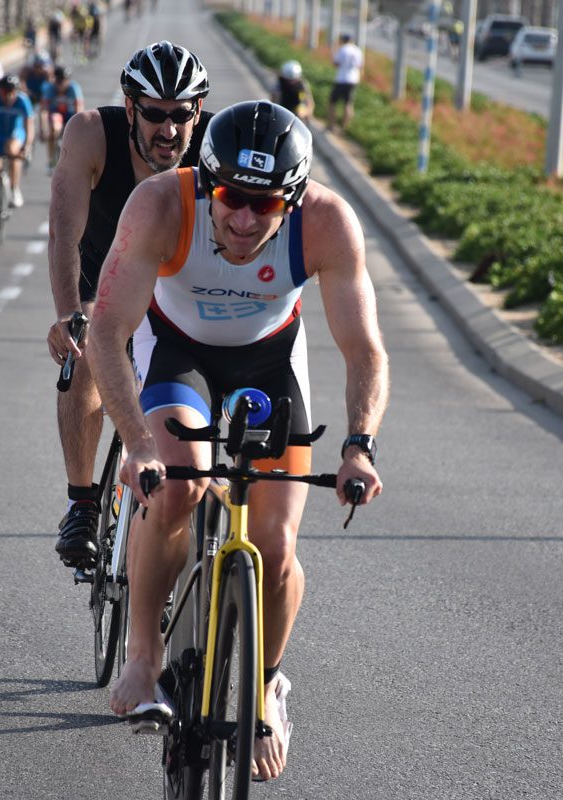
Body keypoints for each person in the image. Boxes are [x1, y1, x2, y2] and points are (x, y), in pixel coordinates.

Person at [87, 99, 388, 781]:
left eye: (266, 204)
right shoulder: (161, 205)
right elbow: (107, 333)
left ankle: (266, 685)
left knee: (278, 547)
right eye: (230, 198)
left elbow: (365, 349)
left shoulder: (327, 222)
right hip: (176, 350)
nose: (246, 219)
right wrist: (136, 442)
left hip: (269, 360)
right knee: (178, 487)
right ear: (206, 181)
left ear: (295, 198)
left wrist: (359, 445)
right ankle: (143, 656)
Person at [46, 41, 213, 569]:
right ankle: (81, 502)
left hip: (180, 280)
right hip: (105, 274)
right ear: (130, 106)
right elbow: (64, 233)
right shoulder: (91, 133)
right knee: (89, 349)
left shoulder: (215, 147)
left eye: (182, 116)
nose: (169, 131)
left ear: (198, 113)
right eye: (156, 115)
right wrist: (70, 312)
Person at [0, 73, 34, 225]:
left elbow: (29, 127)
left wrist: (26, 147)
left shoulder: (22, 101)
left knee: (12, 150)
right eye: (4, 92)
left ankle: (15, 189)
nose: (8, 96)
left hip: (15, 134)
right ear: (0, 91)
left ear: (16, 91)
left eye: (11, 92)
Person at [39, 64, 83, 165]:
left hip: (70, 115)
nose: (61, 84)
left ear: (68, 81)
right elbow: (44, 111)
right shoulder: (49, 89)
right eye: (58, 81)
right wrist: (43, 129)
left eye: (64, 81)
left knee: (74, 135)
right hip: (56, 115)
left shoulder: (74, 89)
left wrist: (78, 129)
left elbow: (79, 110)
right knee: (53, 129)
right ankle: (50, 160)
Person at [328, 32, 363, 132]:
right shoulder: (357, 50)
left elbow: (336, 64)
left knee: (332, 103)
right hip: (353, 79)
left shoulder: (342, 49)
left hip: (341, 79)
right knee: (348, 104)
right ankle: (344, 127)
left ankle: (332, 125)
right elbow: (360, 66)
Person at [20, 51, 53, 150]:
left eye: (41, 66)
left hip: (41, 93)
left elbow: (50, 86)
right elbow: (21, 83)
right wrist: (27, 92)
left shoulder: (47, 72)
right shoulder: (26, 70)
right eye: (36, 66)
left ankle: (42, 131)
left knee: (43, 111)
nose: (38, 69)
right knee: (27, 113)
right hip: (30, 93)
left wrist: (45, 97)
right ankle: (26, 132)